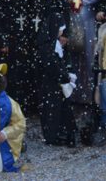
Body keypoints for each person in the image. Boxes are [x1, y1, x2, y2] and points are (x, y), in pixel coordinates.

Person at [36, 11, 76, 147]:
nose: (62, 32)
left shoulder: (54, 45)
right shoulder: (48, 47)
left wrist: (66, 74)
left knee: (60, 108)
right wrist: (64, 76)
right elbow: (53, 66)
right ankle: (53, 135)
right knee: (51, 110)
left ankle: (62, 131)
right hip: (50, 85)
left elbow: (60, 63)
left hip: (56, 84)